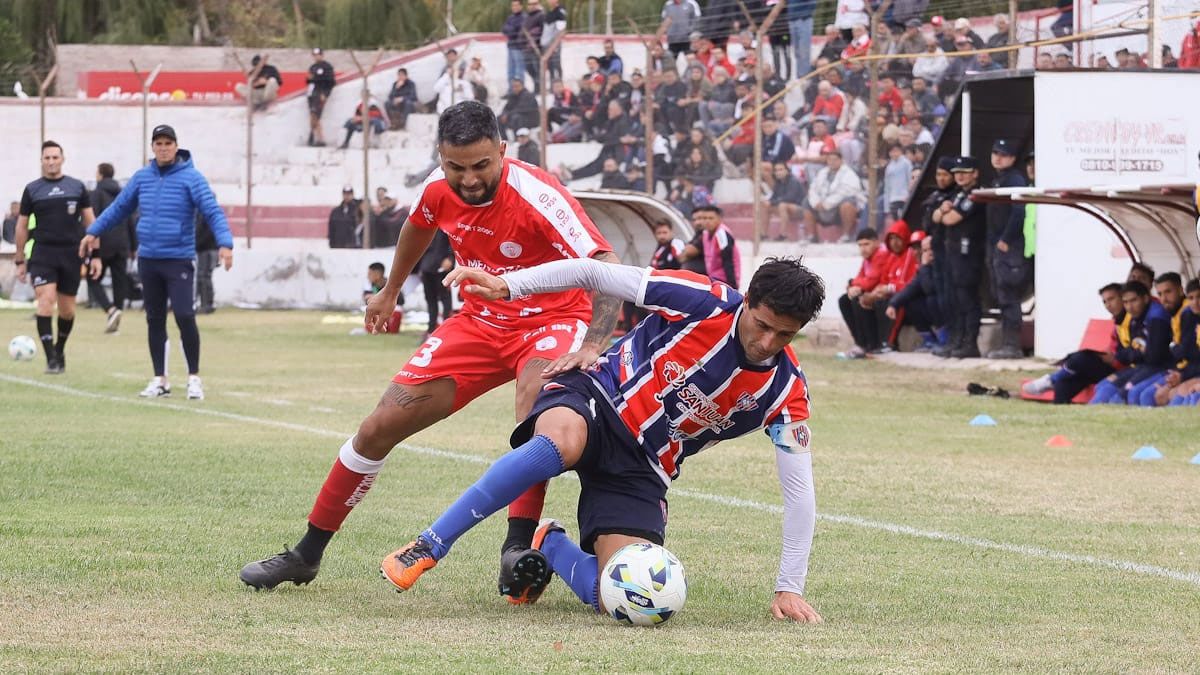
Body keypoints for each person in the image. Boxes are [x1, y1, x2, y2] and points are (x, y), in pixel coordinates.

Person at [238, 101, 623, 596]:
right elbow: (418, 225)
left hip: (552, 319)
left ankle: (516, 550)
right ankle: (305, 555)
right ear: (441, 159)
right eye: (455, 167)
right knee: (379, 425)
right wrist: (390, 290)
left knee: (536, 404)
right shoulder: (437, 190)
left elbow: (607, 263)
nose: (468, 180)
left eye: (481, 165)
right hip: (479, 323)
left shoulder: (539, 194)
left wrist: (594, 342)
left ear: (502, 151)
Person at [379, 256, 825, 626]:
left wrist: (789, 587)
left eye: (784, 334)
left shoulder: (786, 392)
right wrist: (508, 285)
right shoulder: (703, 302)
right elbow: (594, 272)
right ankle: (430, 544)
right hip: (598, 396)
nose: (767, 342)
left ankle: (547, 543)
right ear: (747, 301)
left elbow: (800, 495)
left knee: (623, 599)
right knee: (557, 444)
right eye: (762, 324)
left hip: (643, 467)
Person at [81, 124, 233, 400]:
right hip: (149, 259)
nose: (163, 148)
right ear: (152, 147)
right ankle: (160, 379)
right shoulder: (142, 178)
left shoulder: (192, 178)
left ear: (176, 146)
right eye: (158, 143)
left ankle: (193, 378)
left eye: (168, 143)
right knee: (154, 320)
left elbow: (212, 210)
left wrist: (225, 243)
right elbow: (118, 209)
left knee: (185, 315)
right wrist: (93, 231)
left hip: (179, 259)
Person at [14, 140, 100, 374]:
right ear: (41, 161)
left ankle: (60, 348)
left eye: (55, 157)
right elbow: (21, 226)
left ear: (62, 159)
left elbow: (91, 222)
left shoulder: (77, 187)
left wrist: (96, 256)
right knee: (45, 301)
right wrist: (20, 260)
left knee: (67, 310)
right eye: (47, 158)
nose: (51, 161)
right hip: (43, 253)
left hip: (72, 254)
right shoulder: (33, 190)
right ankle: (51, 357)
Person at [1022, 283, 1127, 403]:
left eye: (1111, 299)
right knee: (1066, 381)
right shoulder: (1118, 321)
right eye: (1104, 301)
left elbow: (1131, 353)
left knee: (1082, 358)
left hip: (1125, 370)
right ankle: (1059, 411)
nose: (1108, 305)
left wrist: (1115, 358)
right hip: (1112, 365)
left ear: (1122, 298)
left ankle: (1051, 379)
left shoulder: (1131, 320)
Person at [932, 155, 986, 359]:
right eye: (957, 173)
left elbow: (950, 219)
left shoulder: (975, 195)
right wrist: (942, 211)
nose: (960, 176)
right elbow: (936, 217)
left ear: (975, 174)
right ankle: (957, 340)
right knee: (955, 300)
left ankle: (970, 343)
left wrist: (944, 213)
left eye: (964, 172)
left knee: (967, 300)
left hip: (968, 255)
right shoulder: (958, 195)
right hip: (954, 254)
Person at [1090, 281, 1171, 404]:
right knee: (1103, 387)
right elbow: (1125, 354)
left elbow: (1154, 357)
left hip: (1160, 368)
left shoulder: (1156, 317)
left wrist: (1137, 353)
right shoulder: (1134, 318)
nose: (1129, 307)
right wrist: (1139, 352)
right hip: (1141, 366)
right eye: (1126, 302)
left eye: (1133, 300)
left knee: (1123, 395)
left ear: (1145, 298)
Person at [985, 139, 1029, 359]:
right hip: (998, 247)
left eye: (1003, 154)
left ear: (1012, 158)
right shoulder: (999, 180)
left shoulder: (1014, 179)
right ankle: (1007, 344)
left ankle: (1012, 346)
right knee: (1001, 295)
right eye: (995, 153)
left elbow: (1019, 211)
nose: (998, 157)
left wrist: (1006, 239)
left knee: (1008, 296)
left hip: (1009, 248)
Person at [87, 162, 135, 333]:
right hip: (122, 244)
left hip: (103, 244)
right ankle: (116, 317)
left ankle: (110, 310)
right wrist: (133, 246)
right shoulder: (123, 193)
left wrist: (91, 243)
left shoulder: (97, 193)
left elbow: (93, 218)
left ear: (100, 174)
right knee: (119, 282)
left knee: (92, 279)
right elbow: (130, 220)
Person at [837, 228, 893, 358]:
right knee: (845, 300)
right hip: (872, 293)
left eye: (866, 244)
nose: (863, 248)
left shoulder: (881, 254)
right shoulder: (868, 259)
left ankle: (868, 344)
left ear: (876, 243)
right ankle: (860, 343)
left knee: (858, 300)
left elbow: (871, 281)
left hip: (884, 295)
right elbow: (861, 278)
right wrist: (853, 286)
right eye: (860, 245)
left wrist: (853, 284)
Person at [887, 234, 944, 351]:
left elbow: (931, 288)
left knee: (932, 300)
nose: (918, 252)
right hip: (935, 310)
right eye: (924, 250)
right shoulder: (924, 269)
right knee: (910, 302)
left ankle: (945, 340)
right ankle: (930, 341)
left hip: (950, 311)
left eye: (930, 249)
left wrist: (924, 267)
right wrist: (893, 304)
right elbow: (910, 288)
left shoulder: (943, 265)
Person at [803, 148, 864, 243]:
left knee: (847, 204)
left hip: (837, 210)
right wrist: (816, 202)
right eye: (830, 160)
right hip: (821, 207)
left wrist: (827, 204)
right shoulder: (822, 172)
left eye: (835, 160)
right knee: (807, 201)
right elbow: (813, 188)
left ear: (841, 161)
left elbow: (845, 192)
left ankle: (846, 235)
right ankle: (812, 236)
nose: (832, 162)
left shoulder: (849, 174)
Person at [682, 205, 740, 288]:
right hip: (713, 277)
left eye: (711, 218)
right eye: (705, 218)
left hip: (724, 280)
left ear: (719, 219)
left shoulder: (722, 234)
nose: (707, 221)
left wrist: (733, 287)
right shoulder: (705, 233)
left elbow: (728, 261)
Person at [417, 229, 454, 337]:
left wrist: (451, 258)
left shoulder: (448, 223)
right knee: (430, 300)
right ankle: (431, 329)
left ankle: (447, 330)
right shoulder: (426, 223)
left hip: (442, 267)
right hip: (426, 267)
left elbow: (455, 239)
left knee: (445, 298)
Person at [768, 162, 806, 241]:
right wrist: (772, 202)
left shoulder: (793, 181)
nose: (778, 172)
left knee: (782, 205)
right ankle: (763, 234)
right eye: (776, 170)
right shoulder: (778, 183)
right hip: (785, 209)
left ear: (787, 171)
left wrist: (775, 201)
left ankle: (783, 235)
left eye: (781, 170)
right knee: (765, 204)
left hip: (800, 209)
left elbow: (790, 198)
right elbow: (772, 198)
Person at [306, 48, 336, 147]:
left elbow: (331, 82)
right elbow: (309, 81)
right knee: (312, 114)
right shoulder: (312, 67)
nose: (316, 57)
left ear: (322, 55)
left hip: (320, 93)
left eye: (318, 55)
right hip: (312, 93)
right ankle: (313, 135)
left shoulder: (327, 67)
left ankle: (319, 138)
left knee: (316, 115)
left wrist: (325, 94)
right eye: (314, 55)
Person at [194, 211, 219, 314]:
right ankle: (205, 304)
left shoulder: (208, 215)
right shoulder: (205, 215)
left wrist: (195, 244)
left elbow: (206, 234)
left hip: (208, 249)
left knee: (204, 276)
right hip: (206, 249)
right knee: (203, 276)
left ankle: (207, 305)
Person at [503, 1, 527, 93]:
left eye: (517, 5)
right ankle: (511, 90)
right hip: (510, 46)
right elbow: (504, 29)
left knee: (519, 71)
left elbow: (518, 30)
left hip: (519, 47)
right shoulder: (510, 18)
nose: (515, 7)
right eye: (513, 5)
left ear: (521, 6)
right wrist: (512, 29)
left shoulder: (524, 17)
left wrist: (511, 29)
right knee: (510, 71)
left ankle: (520, 91)